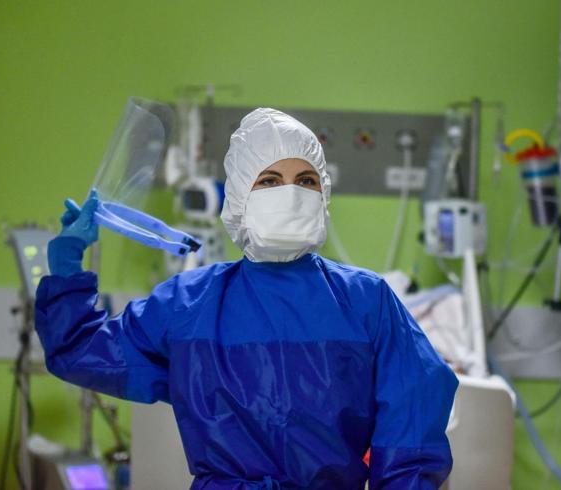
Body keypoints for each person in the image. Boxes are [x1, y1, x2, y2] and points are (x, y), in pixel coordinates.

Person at [35, 108, 458, 489]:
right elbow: (81, 352)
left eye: (306, 181)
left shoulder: (367, 302)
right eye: (270, 181)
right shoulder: (188, 305)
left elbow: (413, 433)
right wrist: (68, 266)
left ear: (324, 195)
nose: (291, 194)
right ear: (239, 197)